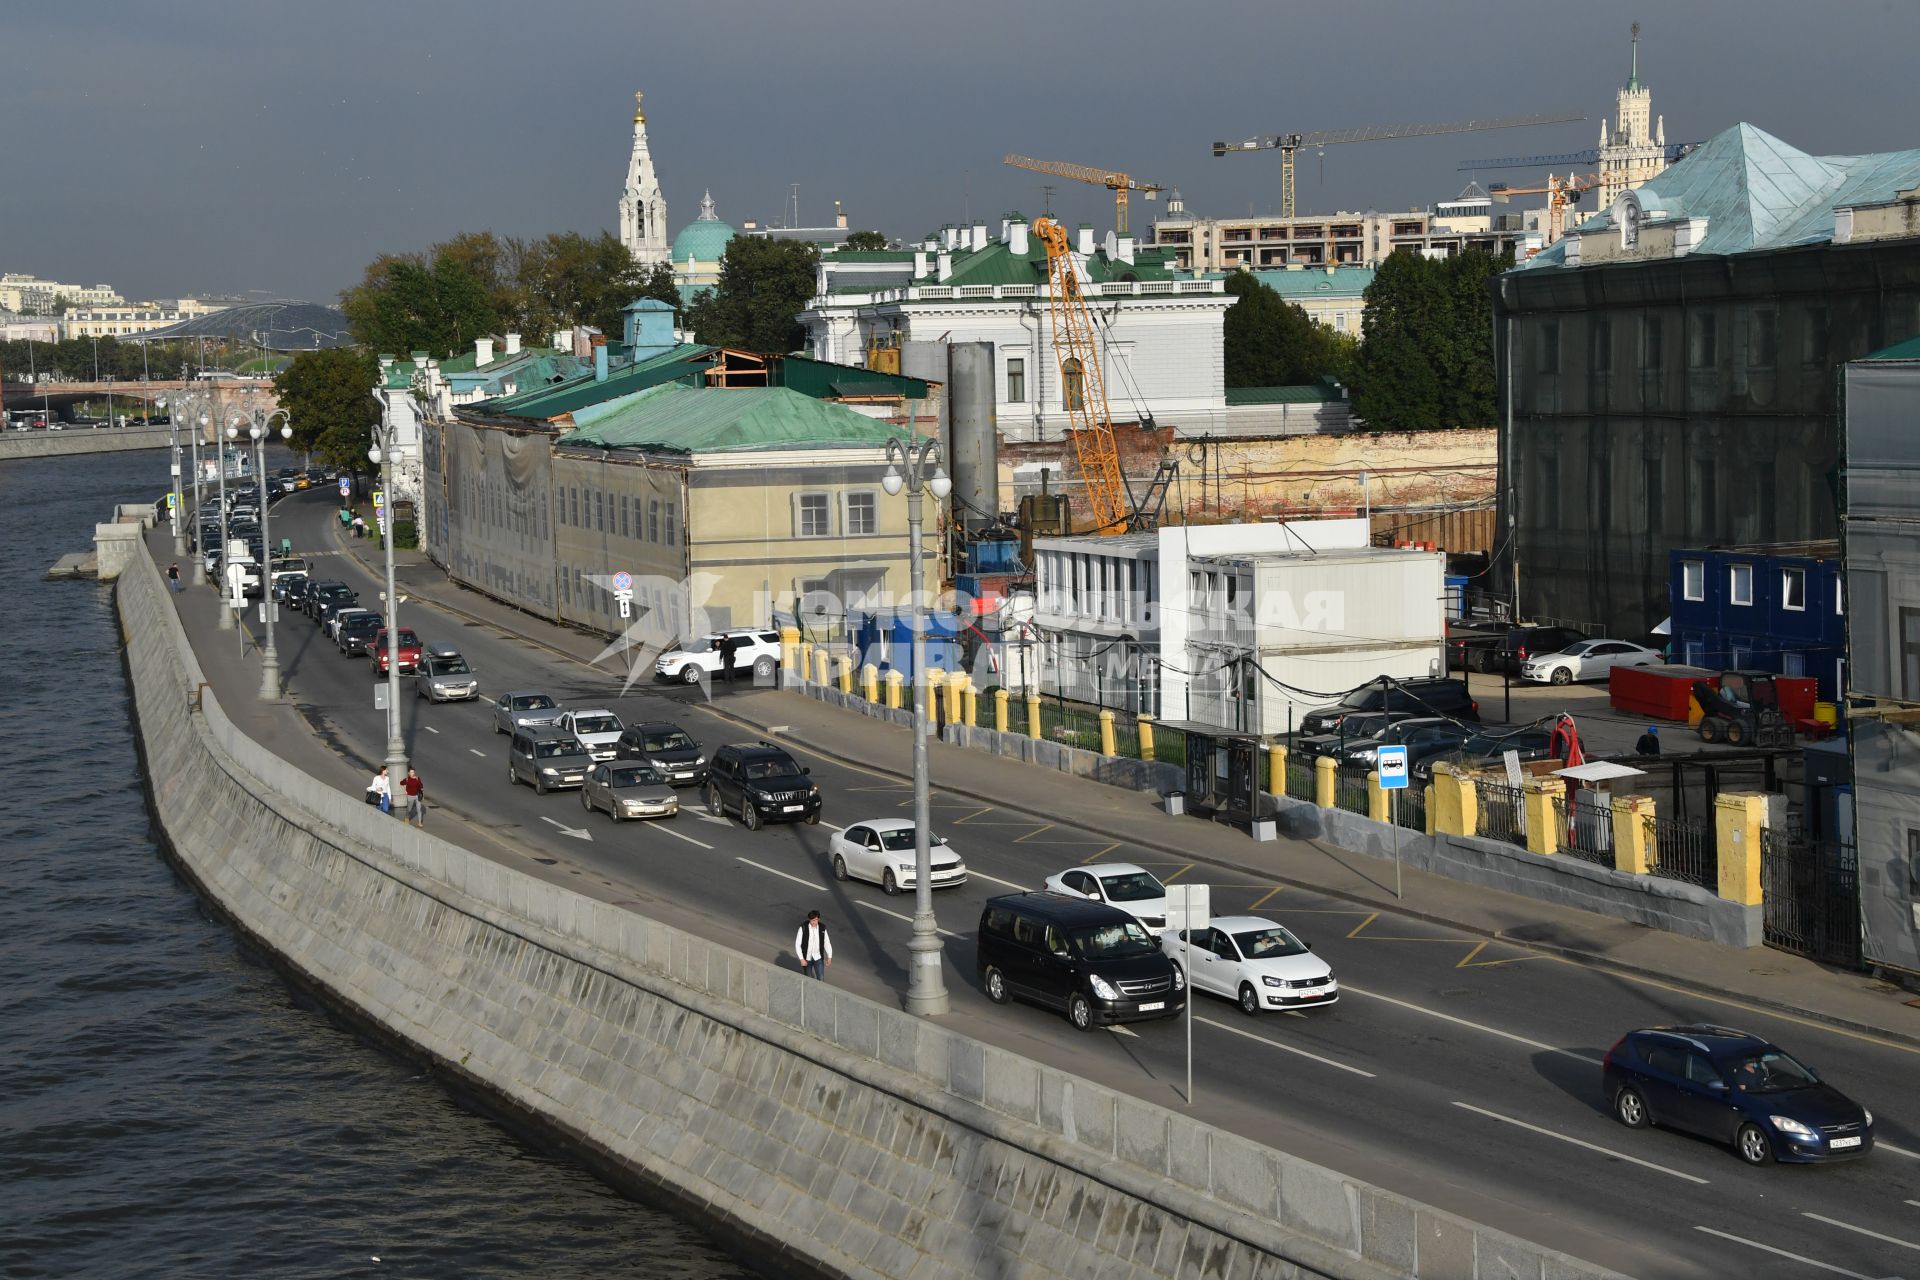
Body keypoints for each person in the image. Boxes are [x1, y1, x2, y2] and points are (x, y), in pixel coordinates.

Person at [794, 909, 833, 980]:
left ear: (818, 919)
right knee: (808, 979)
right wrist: (801, 959)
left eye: (816, 920)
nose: (814, 922)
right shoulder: (803, 928)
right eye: (812, 920)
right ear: (809, 919)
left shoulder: (822, 928)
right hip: (807, 959)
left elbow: (826, 943)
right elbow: (797, 944)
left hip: (818, 958)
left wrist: (829, 957)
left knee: (821, 979)